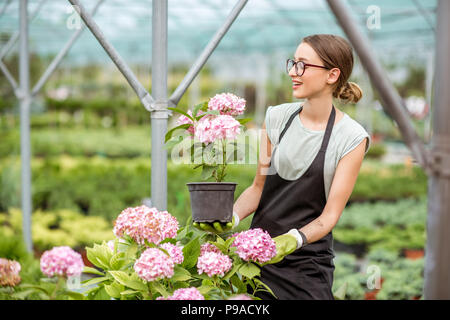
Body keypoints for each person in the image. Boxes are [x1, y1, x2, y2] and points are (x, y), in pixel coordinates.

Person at [194, 34, 371, 300]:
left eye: (303, 65)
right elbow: (258, 188)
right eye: (292, 63)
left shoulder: (351, 137)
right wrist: (232, 217)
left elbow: (328, 217)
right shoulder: (277, 117)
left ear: (332, 75)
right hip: (258, 264)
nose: (292, 72)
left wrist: (293, 240)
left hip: (307, 267)